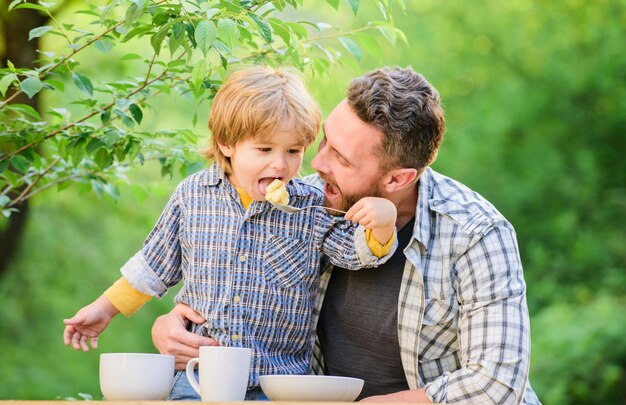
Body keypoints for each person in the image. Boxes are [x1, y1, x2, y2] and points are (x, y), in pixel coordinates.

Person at [150, 66, 541, 404]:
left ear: (397, 179)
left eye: (341, 158)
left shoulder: (474, 233)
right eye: (322, 143)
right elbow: (238, 285)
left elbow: (496, 384)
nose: (316, 164)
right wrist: (176, 328)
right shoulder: (300, 205)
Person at [62, 66, 398, 400]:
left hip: (279, 384)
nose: (280, 165)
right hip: (198, 378)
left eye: (293, 151)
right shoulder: (193, 196)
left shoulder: (310, 206)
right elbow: (152, 266)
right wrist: (103, 309)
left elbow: (355, 254)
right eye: (264, 150)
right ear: (227, 144)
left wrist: (383, 224)